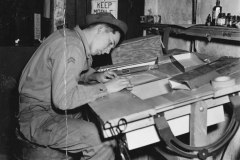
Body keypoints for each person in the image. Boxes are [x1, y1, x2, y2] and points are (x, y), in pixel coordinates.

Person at [18, 12, 132, 160]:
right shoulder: (72, 46)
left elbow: (69, 74)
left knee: (98, 119)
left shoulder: (70, 37)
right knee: (103, 142)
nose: (108, 50)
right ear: (101, 29)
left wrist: (94, 76)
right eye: (110, 43)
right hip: (38, 116)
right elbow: (64, 99)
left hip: (43, 109)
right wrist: (106, 88)